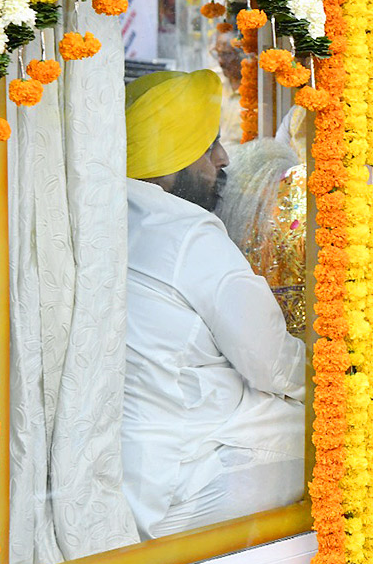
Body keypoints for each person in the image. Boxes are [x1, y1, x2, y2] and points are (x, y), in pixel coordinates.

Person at [123, 69, 306, 539]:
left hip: (124, 470)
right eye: (208, 145)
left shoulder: (105, 212)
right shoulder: (186, 233)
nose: (223, 159)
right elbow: (273, 364)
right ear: (172, 158)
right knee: (352, 428)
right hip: (184, 478)